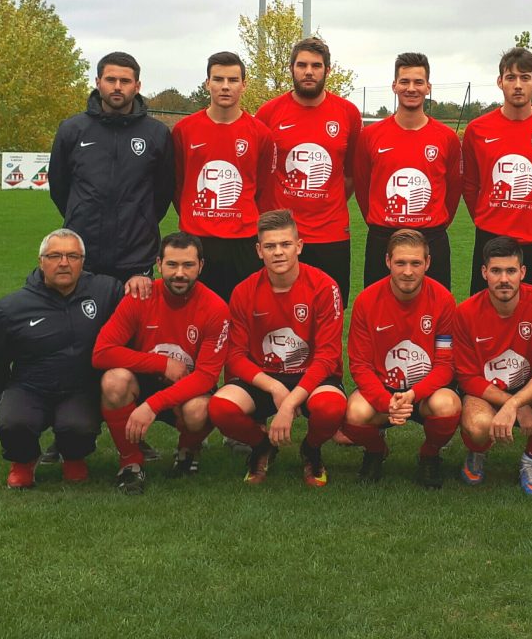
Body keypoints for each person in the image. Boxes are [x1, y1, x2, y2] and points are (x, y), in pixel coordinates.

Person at [205, 209, 347, 486]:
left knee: (331, 407)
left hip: (312, 376)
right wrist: (275, 388)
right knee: (220, 407)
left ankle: (311, 449)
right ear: (259, 251)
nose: (278, 252)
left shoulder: (324, 286)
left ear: (299, 246)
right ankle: (262, 446)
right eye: (270, 246)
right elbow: (234, 356)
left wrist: (290, 403)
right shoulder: (244, 291)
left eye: (285, 244)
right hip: (266, 376)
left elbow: (328, 356)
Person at [0, 229, 123, 489]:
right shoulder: (10, 309)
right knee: (13, 422)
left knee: (78, 427)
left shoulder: (107, 291)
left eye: (72, 256)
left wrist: (140, 281)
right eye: (55, 256)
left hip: (79, 389)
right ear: (41, 261)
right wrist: (2, 401)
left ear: (83, 261)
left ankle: (74, 457)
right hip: (30, 387)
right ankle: (23, 461)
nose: (64, 263)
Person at [91, 231, 230, 494]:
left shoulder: (216, 308)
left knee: (199, 409)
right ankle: (130, 461)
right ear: (158, 264)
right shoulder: (139, 297)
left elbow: (207, 377)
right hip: (143, 383)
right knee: (114, 381)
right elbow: (102, 352)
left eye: (188, 265)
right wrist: (161, 364)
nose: (180, 273)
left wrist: (153, 405)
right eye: (172, 264)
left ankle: (188, 449)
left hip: (186, 388)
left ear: (201, 266)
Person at [49, 51, 173, 299]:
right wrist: (82, 213)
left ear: (137, 86)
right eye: (110, 79)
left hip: (135, 259)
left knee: (132, 324)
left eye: (125, 81)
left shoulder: (156, 133)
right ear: (98, 82)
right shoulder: (72, 129)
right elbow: (59, 187)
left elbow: (163, 192)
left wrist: (142, 218)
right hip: (83, 254)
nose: (117, 86)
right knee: (83, 322)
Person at [341, 229, 460, 488]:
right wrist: (386, 401)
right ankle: (376, 451)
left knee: (449, 405)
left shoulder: (443, 300)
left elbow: (445, 364)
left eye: (416, 263)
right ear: (387, 261)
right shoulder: (366, 301)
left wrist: (414, 394)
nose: (408, 271)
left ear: (427, 263)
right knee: (354, 413)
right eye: (400, 263)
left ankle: (429, 455)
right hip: (385, 390)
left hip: (426, 392)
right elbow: (360, 365)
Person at [453, 236, 532, 495]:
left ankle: (530, 459)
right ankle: (478, 451)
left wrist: (516, 403)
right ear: (484, 273)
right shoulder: (465, 312)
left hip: (528, 388)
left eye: (511, 271)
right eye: (496, 271)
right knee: (478, 426)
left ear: (522, 272)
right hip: (486, 391)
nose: (504, 279)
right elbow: (467, 378)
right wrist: (514, 404)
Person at [255, 37, 362, 302]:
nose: (309, 72)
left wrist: (324, 200)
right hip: (282, 234)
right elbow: (259, 175)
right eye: (302, 65)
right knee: (277, 306)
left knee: (330, 307)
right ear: (291, 68)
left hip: (330, 233)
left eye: (316, 65)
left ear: (327, 70)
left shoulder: (347, 113)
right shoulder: (269, 113)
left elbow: (351, 174)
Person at [461, 47, 532, 297]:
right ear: (500, 82)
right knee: (486, 310)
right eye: (511, 78)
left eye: (525, 77)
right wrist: (486, 217)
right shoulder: (477, 129)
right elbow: (470, 185)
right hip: (491, 237)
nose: (518, 85)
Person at [171, 51, 274, 303]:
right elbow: (177, 184)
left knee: (242, 312)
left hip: (243, 242)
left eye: (233, 80)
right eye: (218, 79)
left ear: (244, 85)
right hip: (197, 239)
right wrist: (196, 214)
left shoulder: (260, 133)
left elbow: (262, 187)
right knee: (196, 313)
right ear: (207, 83)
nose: (225, 86)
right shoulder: (184, 130)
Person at [353, 53, 461, 290]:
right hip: (383, 237)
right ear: (394, 86)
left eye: (418, 82)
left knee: (435, 306)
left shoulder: (447, 138)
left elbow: (454, 190)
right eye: (404, 82)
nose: (411, 88)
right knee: (378, 306)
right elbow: (362, 186)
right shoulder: (370, 136)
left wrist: (434, 223)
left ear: (428, 87)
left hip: (431, 237)